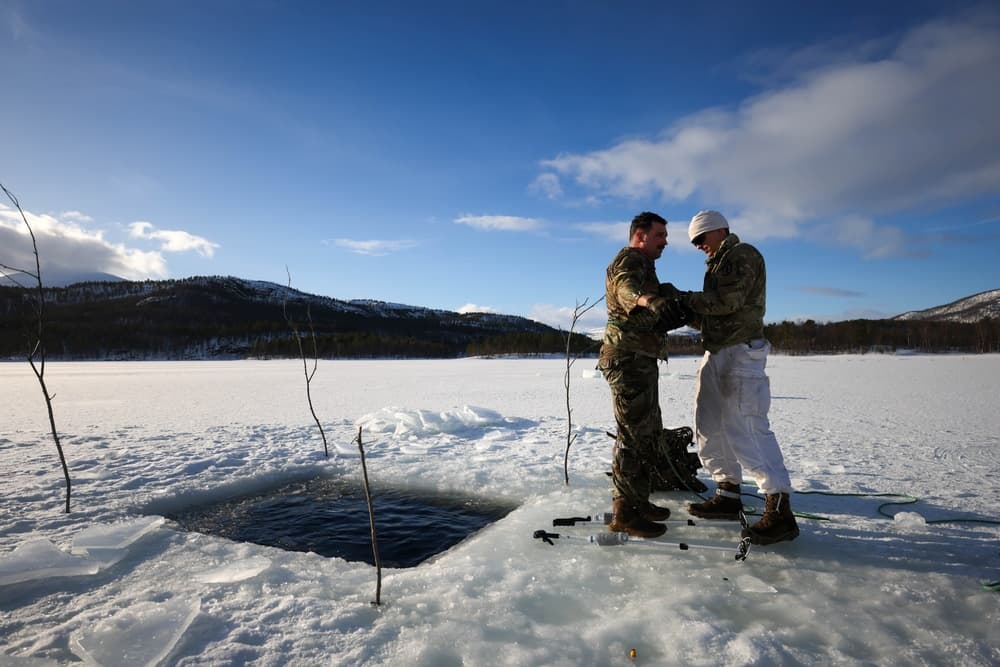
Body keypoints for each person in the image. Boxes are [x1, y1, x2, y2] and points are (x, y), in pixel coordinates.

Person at [673, 210, 799, 545]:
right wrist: (683, 312)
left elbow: (729, 302)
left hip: (741, 352)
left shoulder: (743, 255)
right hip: (717, 352)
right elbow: (714, 315)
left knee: (746, 425)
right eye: (694, 242)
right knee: (709, 424)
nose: (699, 246)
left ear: (719, 231)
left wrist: (683, 299)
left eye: (701, 239)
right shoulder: (716, 265)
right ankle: (727, 494)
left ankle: (780, 508)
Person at [598, 211, 688, 538]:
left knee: (647, 431)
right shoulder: (629, 261)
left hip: (640, 358)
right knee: (632, 435)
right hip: (626, 358)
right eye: (660, 235)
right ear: (640, 236)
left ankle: (638, 502)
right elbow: (626, 290)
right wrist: (648, 300)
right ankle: (623, 512)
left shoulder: (647, 266)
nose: (665, 241)